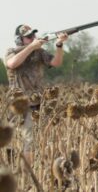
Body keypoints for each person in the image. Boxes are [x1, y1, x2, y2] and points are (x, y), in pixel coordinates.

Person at [5, 24, 68, 163]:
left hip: (38, 103)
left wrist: (59, 45)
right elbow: (12, 64)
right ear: (19, 39)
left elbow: (56, 62)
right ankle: (22, 172)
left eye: (33, 35)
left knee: (36, 140)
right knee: (20, 141)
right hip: (18, 104)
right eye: (28, 37)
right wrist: (31, 47)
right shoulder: (11, 51)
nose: (32, 38)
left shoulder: (39, 52)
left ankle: (32, 172)